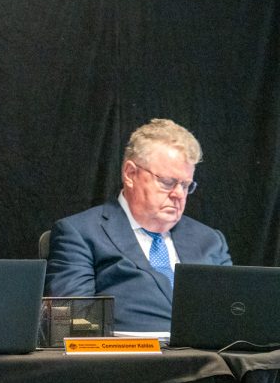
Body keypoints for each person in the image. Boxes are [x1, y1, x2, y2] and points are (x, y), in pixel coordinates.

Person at [45, 118, 230, 333]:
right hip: (127, 361)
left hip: (208, 362)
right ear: (131, 174)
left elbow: (234, 314)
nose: (178, 194)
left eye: (186, 185)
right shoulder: (81, 233)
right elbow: (72, 323)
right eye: (168, 183)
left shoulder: (209, 240)